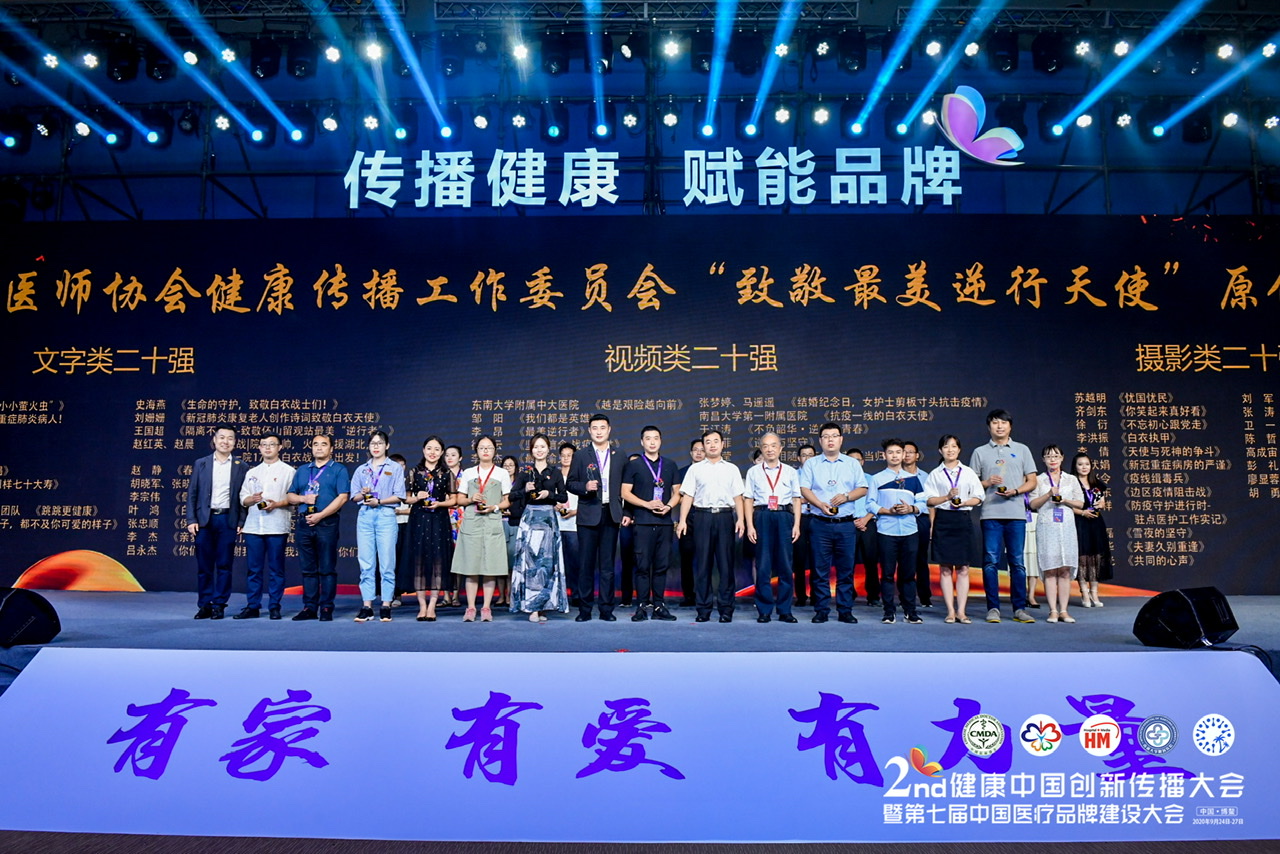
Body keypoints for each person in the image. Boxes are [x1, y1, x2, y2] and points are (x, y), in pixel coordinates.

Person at [970, 408, 1039, 624]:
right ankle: (993, 608)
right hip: (990, 514)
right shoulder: (980, 452)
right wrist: (987, 482)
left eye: (1003, 423)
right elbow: (971, 485)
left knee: (1017, 562)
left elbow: (1032, 481)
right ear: (988, 426)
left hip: (1016, 514)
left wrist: (1016, 491)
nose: (999, 426)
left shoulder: (1022, 450)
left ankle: (1019, 608)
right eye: (995, 423)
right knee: (990, 561)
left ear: (1010, 426)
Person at [798, 423, 868, 624]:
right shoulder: (811, 464)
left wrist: (846, 497)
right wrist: (819, 504)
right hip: (820, 523)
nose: (830, 440)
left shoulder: (852, 463)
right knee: (820, 570)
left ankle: (845, 610)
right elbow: (804, 489)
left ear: (841, 439)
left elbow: (863, 488)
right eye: (826, 436)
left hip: (845, 524)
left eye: (834, 436)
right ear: (820, 441)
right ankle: (821, 610)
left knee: (846, 570)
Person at [675, 429, 745, 622]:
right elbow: (687, 496)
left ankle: (726, 610)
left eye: (716, 441)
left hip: (725, 517)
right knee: (703, 565)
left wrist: (740, 519)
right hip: (702, 517)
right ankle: (703, 610)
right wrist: (682, 520)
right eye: (708, 442)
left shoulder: (731, 469)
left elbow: (738, 497)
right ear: (703, 446)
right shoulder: (695, 469)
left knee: (726, 565)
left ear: (722, 444)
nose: (712, 445)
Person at [567, 414, 629, 622]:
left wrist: (627, 512)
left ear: (609, 429)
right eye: (595, 428)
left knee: (607, 566)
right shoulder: (581, 455)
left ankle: (606, 609)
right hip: (588, 515)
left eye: (603, 427)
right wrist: (584, 487)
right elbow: (570, 483)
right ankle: (585, 610)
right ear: (589, 431)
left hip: (611, 514)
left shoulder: (620, 455)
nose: (599, 431)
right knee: (586, 565)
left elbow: (627, 487)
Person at [186, 425, 248, 620]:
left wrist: (241, 520)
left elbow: (243, 496)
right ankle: (205, 604)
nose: (225, 442)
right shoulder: (201, 463)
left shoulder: (241, 466)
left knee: (224, 565)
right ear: (214, 440)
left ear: (235, 442)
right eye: (222, 437)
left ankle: (219, 604)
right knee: (204, 566)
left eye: (230, 438)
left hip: (227, 519)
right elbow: (192, 493)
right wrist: (191, 519)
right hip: (204, 520)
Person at [285, 434, 349, 621]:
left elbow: (343, 497)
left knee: (327, 568)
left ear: (331, 449)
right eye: (315, 444)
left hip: (326, 523)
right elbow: (290, 496)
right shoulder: (303, 470)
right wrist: (303, 499)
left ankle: (326, 607)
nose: (319, 448)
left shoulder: (339, 469)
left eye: (323, 444)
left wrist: (321, 515)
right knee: (308, 569)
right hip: (304, 522)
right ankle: (309, 607)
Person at [620, 426, 680, 622]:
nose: (652, 442)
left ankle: (659, 606)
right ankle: (641, 606)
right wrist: (647, 504)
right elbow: (625, 493)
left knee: (661, 566)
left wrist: (668, 506)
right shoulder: (634, 465)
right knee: (643, 567)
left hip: (664, 523)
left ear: (660, 441)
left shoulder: (670, 465)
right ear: (642, 442)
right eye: (648, 438)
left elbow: (678, 492)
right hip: (643, 523)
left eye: (655, 438)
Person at [923, 435, 984, 624]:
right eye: (946, 447)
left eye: (954, 446)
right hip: (943, 520)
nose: (950, 450)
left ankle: (962, 611)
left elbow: (979, 496)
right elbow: (929, 500)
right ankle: (950, 611)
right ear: (940, 450)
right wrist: (947, 497)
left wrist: (964, 502)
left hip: (963, 519)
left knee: (964, 568)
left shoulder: (968, 472)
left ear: (959, 449)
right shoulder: (935, 474)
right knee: (945, 569)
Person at [234, 433, 295, 620]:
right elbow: (243, 499)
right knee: (254, 569)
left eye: (272, 444)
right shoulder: (252, 472)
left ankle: (275, 606)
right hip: (254, 527)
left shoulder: (288, 471)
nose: (267, 448)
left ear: (280, 447)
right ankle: (253, 606)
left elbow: (294, 498)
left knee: (276, 569)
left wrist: (277, 504)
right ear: (259, 448)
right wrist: (251, 499)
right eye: (264, 444)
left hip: (277, 526)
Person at [866, 439, 927, 625]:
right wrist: (887, 511)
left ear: (903, 455)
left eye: (898, 452)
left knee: (908, 574)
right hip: (886, 531)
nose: (894, 456)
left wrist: (911, 509)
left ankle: (910, 611)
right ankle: (888, 612)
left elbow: (923, 503)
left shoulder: (913, 479)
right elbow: (870, 504)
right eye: (890, 452)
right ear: (884, 455)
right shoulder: (877, 479)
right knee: (887, 574)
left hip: (909, 531)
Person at [510, 433, 570, 622]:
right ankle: (532, 607)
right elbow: (512, 496)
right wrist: (525, 490)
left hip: (548, 519)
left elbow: (563, 497)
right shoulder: (525, 472)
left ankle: (544, 605)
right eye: (536, 447)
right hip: (530, 518)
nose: (539, 450)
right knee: (531, 562)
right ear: (531, 450)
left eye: (542, 446)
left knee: (547, 562)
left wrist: (549, 494)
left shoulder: (555, 472)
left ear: (548, 449)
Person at [452, 435, 511, 622]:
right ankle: (470, 607)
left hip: (492, 521)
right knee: (471, 567)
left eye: (489, 448)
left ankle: (486, 607)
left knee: (490, 567)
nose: (486, 451)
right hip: (472, 522)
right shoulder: (469, 473)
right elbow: (459, 499)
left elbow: (507, 501)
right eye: (482, 448)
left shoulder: (502, 473)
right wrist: (471, 499)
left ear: (495, 451)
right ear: (476, 451)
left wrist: (495, 507)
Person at [744, 432, 802, 623]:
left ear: (780, 448)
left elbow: (796, 499)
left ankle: (785, 610)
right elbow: (748, 499)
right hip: (762, 516)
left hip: (784, 516)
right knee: (763, 565)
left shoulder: (790, 471)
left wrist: (797, 524)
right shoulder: (753, 472)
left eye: (773, 445)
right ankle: (764, 610)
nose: (770, 449)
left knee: (785, 564)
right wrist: (750, 525)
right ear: (761, 449)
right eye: (766, 446)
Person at [349, 430, 406, 622]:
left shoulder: (395, 468)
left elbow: (399, 495)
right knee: (366, 562)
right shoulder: (361, 469)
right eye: (373, 443)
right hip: (365, 515)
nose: (376, 446)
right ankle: (367, 606)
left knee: (387, 562)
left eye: (380, 443)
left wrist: (379, 501)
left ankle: (386, 604)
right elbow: (354, 496)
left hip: (385, 515)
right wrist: (363, 493)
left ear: (387, 446)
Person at [1029, 445, 1085, 624]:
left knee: (1065, 570)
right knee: (1050, 570)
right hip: (1047, 528)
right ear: (1043, 460)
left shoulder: (1071, 479)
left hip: (1066, 527)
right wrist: (1048, 494)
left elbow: (1081, 503)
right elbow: (1032, 504)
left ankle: (1064, 611)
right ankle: (1053, 610)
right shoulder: (1039, 480)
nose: (1052, 459)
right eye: (1048, 456)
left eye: (1056, 456)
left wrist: (1065, 500)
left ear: (1062, 458)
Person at [404, 436, 456, 622]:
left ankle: (432, 605)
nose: (432, 452)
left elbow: (454, 500)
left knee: (438, 561)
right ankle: (422, 606)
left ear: (441, 453)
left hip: (439, 519)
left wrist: (440, 504)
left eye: (436, 449)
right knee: (418, 560)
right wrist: (417, 497)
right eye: (429, 448)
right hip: (418, 518)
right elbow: (406, 498)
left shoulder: (447, 473)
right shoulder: (414, 472)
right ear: (423, 450)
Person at [1071, 452, 1114, 608]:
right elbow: (1067, 505)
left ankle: (1094, 593)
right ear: (1075, 467)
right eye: (1080, 464)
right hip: (1079, 522)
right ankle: (1084, 592)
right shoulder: (1071, 483)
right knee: (1082, 557)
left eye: (1087, 464)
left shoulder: (1097, 483)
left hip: (1096, 522)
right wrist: (1082, 512)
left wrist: (1101, 504)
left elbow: (1103, 501)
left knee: (1096, 557)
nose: (1084, 467)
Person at [847, 447, 881, 609]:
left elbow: (878, 502)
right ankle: (849, 594)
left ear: (862, 462)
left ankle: (873, 595)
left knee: (871, 561)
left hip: (869, 523)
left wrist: (866, 519)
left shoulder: (871, 479)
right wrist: (852, 521)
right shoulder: (842, 479)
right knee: (848, 562)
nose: (855, 463)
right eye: (851, 460)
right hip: (848, 523)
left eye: (857, 460)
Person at [902, 440, 934, 608]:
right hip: (902, 519)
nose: (907, 455)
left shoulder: (926, 477)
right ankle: (904, 597)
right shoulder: (897, 476)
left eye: (910, 452)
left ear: (917, 455)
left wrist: (931, 524)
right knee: (903, 559)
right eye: (904, 452)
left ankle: (924, 596)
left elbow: (930, 503)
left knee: (921, 558)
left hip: (921, 519)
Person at [674, 438, 705, 607]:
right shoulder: (682, 473)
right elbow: (677, 498)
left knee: (705, 558)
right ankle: (688, 595)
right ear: (690, 453)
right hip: (687, 519)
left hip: (705, 517)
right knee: (686, 558)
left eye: (702, 450)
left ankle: (704, 594)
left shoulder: (710, 471)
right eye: (696, 450)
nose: (699, 453)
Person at [556, 442, 581, 607]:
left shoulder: (579, 477)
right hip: (557, 525)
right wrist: (554, 505)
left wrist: (574, 511)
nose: (566, 459)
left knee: (574, 563)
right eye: (563, 456)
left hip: (574, 526)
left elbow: (588, 501)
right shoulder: (554, 477)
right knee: (558, 563)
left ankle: (576, 594)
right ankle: (559, 595)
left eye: (569, 456)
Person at [792, 443, 816, 606]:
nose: (807, 458)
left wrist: (805, 499)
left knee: (817, 559)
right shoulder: (792, 475)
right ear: (799, 458)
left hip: (816, 518)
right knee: (799, 559)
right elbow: (791, 497)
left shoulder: (821, 473)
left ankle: (816, 595)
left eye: (810, 455)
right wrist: (806, 500)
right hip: (799, 520)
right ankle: (800, 595)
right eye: (804, 455)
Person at [442, 444, 465, 607]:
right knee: (443, 557)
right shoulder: (440, 475)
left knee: (458, 557)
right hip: (443, 516)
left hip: (461, 519)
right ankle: (445, 595)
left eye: (453, 455)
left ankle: (456, 595)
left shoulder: (466, 476)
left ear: (460, 458)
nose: (449, 458)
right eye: (447, 455)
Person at [497, 454, 521, 607]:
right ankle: (501, 595)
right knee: (499, 563)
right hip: (498, 524)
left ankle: (511, 594)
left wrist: (512, 511)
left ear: (515, 467)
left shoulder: (520, 484)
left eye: (511, 465)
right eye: (505, 465)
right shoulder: (497, 483)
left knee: (512, 562)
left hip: (514, 524)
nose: (508, 468)